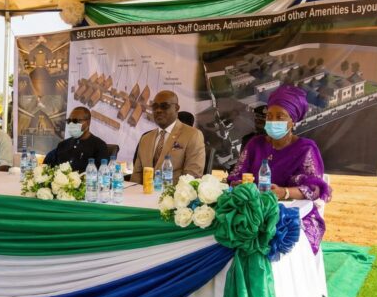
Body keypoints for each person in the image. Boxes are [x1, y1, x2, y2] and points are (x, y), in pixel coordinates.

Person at [227, 85, 331, 253]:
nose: (273, 121)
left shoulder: (305, 148)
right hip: (251, 210)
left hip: (291, 215)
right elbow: (235, 175)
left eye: (280, 116)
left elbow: (315, 188)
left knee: (264, 244)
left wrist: (284, 192)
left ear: (293, 120)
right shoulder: (255, 144)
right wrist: (243, 186)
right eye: (269, 116)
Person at [130, 91, 205, 183]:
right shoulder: (145, 138)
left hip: (173, 195)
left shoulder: (193, 135)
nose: (158, 110)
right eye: (155, 106)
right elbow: (137, 175)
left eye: (164, 106)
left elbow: (192, 177)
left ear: (176, 108)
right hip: (143, 194)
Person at [44, 106, 109, 173]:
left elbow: (100, 175)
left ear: (88, 122)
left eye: (75, 121)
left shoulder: (99, 146)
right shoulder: (63, 145)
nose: (71, 124)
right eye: (69, 121)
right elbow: (46, 165)